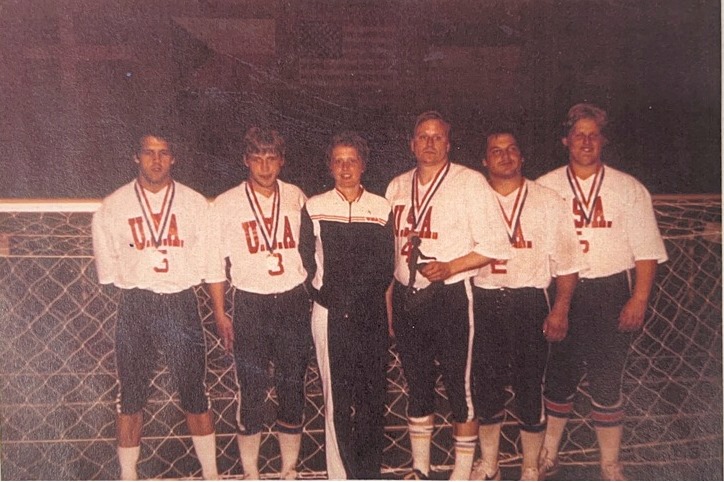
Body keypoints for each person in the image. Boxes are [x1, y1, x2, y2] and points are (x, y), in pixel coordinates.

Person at [536, 103, 668, 480]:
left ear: (603, 140)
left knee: (607, 380)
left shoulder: (629, 188)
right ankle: (548, 454)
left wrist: (639, 298)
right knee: (558, 376)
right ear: (565, 140)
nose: (587, 141)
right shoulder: (545, 186)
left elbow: (646, 252)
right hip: (560, 291)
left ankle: (610, 464)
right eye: (579, 135)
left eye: (594, 135)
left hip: (610, 291)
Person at [385, 111, 512, 480]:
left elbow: (495, 245)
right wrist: (390, 300)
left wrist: (451, 267)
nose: (429, 143)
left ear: (449, 143)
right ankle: (420, 469)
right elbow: (391, 252)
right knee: (418, 383)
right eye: (422, 137)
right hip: (409, 297)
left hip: (452, 296)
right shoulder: (396, 186)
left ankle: (459, 473)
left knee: (461, 388)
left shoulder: (470, 182)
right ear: (411, 144)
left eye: (437, 137)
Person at [91, 129, 219, 480]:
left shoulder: (194, 203)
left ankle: (212, 474)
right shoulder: (114, 205)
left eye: (164, 152)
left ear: (173, 157)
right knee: (131, 394)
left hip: (180, 302)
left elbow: (207, 261)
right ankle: (128, 476)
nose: (157, 160)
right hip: (136, 302)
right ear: (136, 157)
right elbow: (109, 270)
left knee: (194, 390)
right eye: (149, 152)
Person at [469, 129, 583, 481]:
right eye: (496, 151)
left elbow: (566, 263)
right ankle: (490, 464)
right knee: (485, 386)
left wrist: (560, 307)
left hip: (529, 299)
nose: (504, 156)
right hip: (484, 298)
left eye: (512, 149)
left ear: (522, 156)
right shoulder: (470, 198)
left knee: (529, 385)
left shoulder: (548, 201)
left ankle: (530, 465)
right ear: (485, 160)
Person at [207, 127, 311, 480]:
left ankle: (289, 469)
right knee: (250, 389)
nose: (265, 167)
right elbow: (215, 264)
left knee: (291, 385)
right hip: (250, 302)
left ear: (281, 161)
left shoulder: (297, 196)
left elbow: (311, 252)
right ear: (246, 161)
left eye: (271, 159)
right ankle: (250, 472)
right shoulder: (226, 203)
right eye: (257, 159)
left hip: (293, 300)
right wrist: (221, 312)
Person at [299, 132, 395, 479]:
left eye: (351, 160)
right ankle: (341, 475)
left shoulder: (381, 207)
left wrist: (372, 306)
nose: (345, 167)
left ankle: (368, 473)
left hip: (370, 316)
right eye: (338, 161)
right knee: (338, 401)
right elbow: (306, 262)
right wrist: (327, 297)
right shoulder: (314, 205)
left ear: (363, 165)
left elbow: (387, 265)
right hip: (331, 314)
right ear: (330, 166)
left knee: (372, 399)